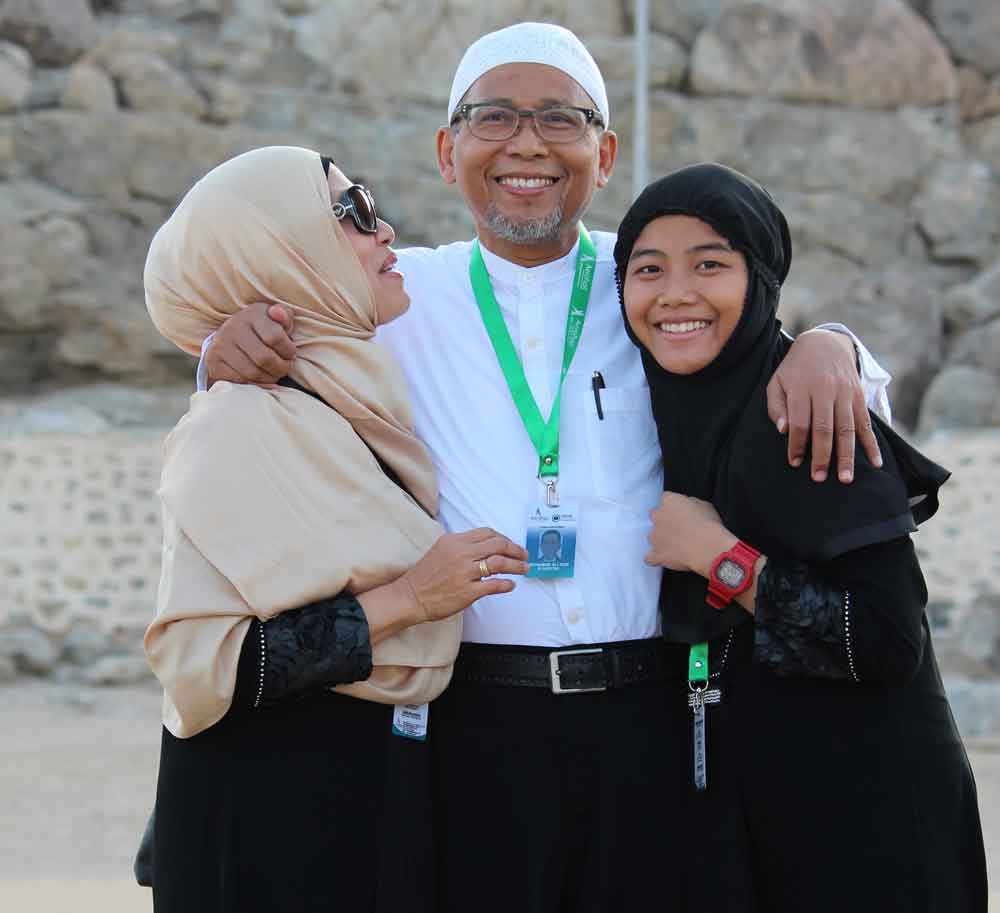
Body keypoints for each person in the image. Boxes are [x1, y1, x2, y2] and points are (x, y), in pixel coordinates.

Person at [149, 24, 898, 912]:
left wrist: (834, 345)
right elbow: (273, 370)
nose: (527, 145)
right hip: (465, 728)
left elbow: (770, 354)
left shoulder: (656, 283)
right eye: (494, 118)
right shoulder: (392, 294)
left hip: (652, 716)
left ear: (605, 151)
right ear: (446, 149)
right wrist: (220, 355)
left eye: (560, 119)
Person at [141, 145, 528, 913]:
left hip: (363, 805)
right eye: (351, 212)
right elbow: (203, 671)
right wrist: (412, 597)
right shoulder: (236, 424)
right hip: (260, 825)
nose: (384, 229)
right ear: (282, 253)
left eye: (371, 202)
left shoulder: (353, 398)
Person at [615, 161, 988, 913]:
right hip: (750, 821)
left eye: (710, 264)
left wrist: (719, 557)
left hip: (869, 830)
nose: (676, 292)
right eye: (648, 269)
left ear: (759, 280)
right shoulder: (661, 409)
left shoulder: (808, 417)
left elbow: (883, 639)